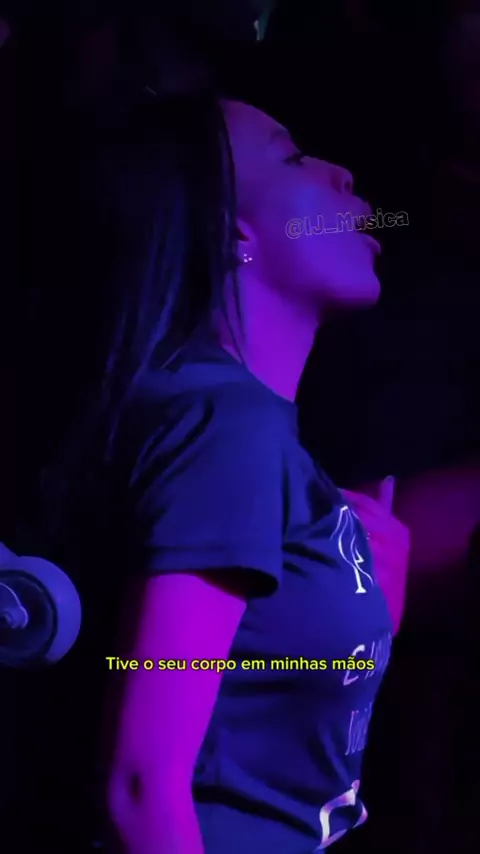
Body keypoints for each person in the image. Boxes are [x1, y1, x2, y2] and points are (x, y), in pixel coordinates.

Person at [14, 83, 409, 854]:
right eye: (292, 157)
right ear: (233, 234)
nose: (342, 175)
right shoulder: (226, 428)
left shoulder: (246, 432)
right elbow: (141, 789)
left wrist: (364, 605)